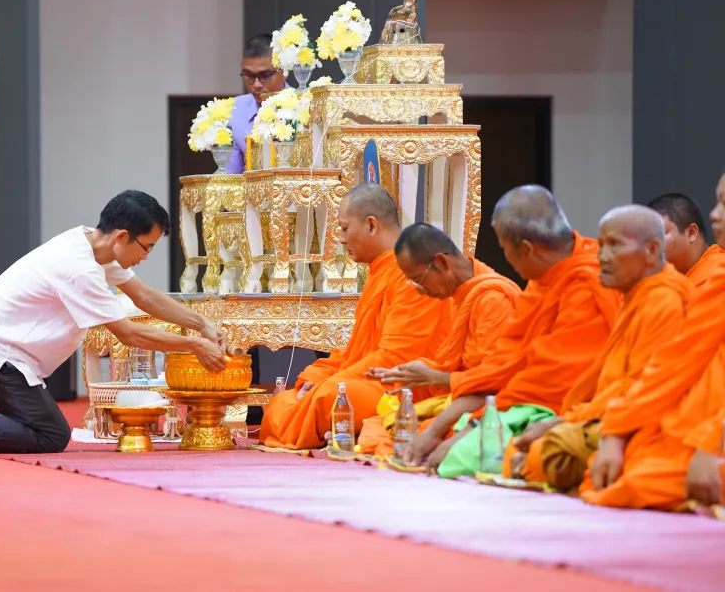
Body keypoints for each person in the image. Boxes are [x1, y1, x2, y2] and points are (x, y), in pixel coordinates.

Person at [0, 190, 228, 457]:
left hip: (6, 353)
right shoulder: (79, 268)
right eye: (147, 247)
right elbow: (128, 334)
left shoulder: (92, 245)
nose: (146, 256)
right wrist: (193, 344)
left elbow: (144, 296)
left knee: (43, 429)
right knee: (51, 435)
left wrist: (202, 324)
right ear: (121, 236)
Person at [400, 185, 621, 477]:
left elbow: (549, 385)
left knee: (479, 456)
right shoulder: (543, 282)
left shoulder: (588, 285)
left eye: (505, 249)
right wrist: (447, 427)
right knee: (440, 434)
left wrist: (472, 427)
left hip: (575, 413)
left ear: (526, 249)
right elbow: (503, 364)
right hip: (516, 404)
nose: (505, 259)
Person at [504, 205, 693, 490]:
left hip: (648, 425)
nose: (602, 256)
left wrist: (566, 423)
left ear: (652, 251)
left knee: (551, 451)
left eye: (614, 245)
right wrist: (565, 420)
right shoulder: (637, 298)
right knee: (522, 447)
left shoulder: (665, 301)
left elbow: (645, 390)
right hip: (613, 417)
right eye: (601, 245)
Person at [258, 184, 451, 450]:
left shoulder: (413, 274)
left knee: (327, 396)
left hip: (403, 389)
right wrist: (319, 374)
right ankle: (349, 428)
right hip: (371, 380)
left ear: (371, 225)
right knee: (289, 398)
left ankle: (355, 428)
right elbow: (358, 349)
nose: (340, 238)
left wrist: (331, 381)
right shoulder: (380, 270)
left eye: (344, 228)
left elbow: (395, 358)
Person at [582, 173, 725, 511]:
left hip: (712, 429)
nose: (714, 213)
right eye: (718, 200)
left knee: (637, 479)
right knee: (633, 467)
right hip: (693, 420)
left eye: (724, 203)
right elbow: (671, 368)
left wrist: (710, 442)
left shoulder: (675, 294)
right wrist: (616, 432)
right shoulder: (710, 286)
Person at [354, 223, 521, 457]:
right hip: (465, 396)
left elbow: (495, 381)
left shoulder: (492, 299)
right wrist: (414, 374)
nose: (419, 291)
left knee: (402, 434)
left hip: (493, 404)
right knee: (383, 425)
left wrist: (435, 378)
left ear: (442, 262)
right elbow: (462, 367)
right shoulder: (461, 293)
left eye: (418, 279)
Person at [225, 34, 286, 175]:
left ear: (284, 71)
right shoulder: (233, 110)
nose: (256, 85)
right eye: (249, 76)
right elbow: (231, 175)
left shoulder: (305, 106)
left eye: (265, 75)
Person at [646, 192, 725, 289]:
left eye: (660, 234)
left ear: (691, 233)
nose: (651, 245)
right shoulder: (664, 279)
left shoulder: (719, 271)